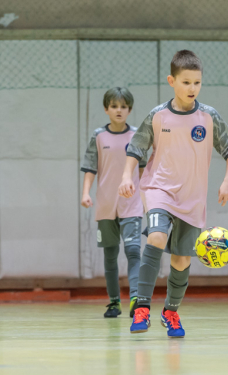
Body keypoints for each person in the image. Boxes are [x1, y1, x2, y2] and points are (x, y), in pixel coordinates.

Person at [119, 50, 228, 338]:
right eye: (186, 82)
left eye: (197, 82)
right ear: (172, 81)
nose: (192, 88)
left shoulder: (208, 116)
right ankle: (142, 308)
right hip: (159, 189)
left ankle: (170, 312)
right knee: (156, 237)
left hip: (192, 198)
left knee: (181, 260)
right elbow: (136, 148)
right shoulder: (158, 115)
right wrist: (126, 176)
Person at [81, 87, 145, 318]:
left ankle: (136, 298)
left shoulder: (137, 136)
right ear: (106, 109)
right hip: (106, 204)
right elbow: (90, 168)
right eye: (114, 106)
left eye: (123, 107)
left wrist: (147, 197)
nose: (119, 110)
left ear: (129, 110)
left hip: (132, 204)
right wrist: (85, 193)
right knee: (110, 254)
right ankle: (114, 302)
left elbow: (143, 169)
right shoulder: (98, 136)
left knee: (133, 250)